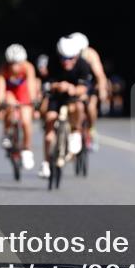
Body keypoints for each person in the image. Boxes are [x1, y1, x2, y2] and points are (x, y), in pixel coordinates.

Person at [39, 37, 91, 178]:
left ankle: (76, 132)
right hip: (56, 96)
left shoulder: (83, 65)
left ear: (76, 56)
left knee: (79, 107)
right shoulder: (53, 63)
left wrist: (73, 89)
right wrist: (57, 85)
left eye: (70, 58)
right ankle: (46, 162)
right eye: (63, 58)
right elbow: (47, 83)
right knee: (50, 120)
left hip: (73, 97)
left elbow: (84, 87)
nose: (66, 62)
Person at [0, 44, 38, 171]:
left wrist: (33, 100)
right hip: (10, 92)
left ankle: (27, 148)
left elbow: (31, 85)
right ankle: (7, 133)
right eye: (12, 63)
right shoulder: (3, 69)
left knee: (25, 121)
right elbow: (0, 89)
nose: (15, 67)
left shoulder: (28, 67)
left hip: (23, 92)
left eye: (18, 63)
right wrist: (0, 102)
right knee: (9, 104)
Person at [68, 32, 108, 150]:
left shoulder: (90, 54)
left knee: (90, 107)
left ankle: (91, 129)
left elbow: (100, 75)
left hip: (90, 84)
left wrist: (102, 89)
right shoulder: (69, 55)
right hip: (75, 83)